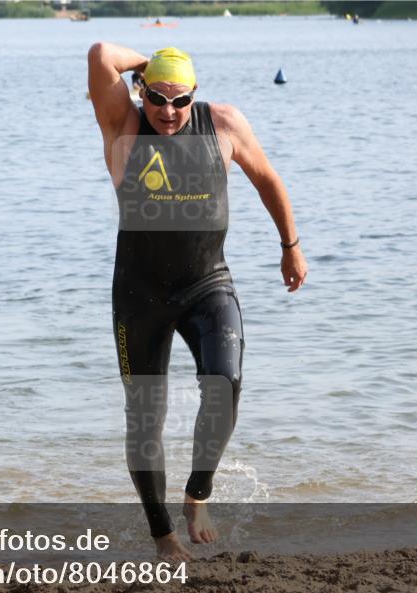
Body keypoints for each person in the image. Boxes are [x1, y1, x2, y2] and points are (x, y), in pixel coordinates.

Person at [87, 44, 307, 561]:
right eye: (157, 98)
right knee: (145, 416)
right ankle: (163, 536)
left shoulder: (224, 125)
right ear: (141, 93)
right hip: (139, 295)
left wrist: (290, 247)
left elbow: (268, 180)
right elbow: (100, 53)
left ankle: (197, 495)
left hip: (207, 283)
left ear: (195, 94)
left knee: (225, 384)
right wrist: (146, 67)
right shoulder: (123, 124)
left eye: (179, 99)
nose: (167, 111)